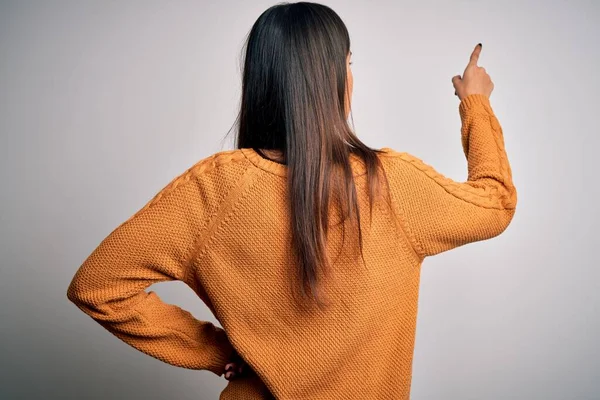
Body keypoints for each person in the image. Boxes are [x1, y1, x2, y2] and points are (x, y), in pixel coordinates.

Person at [66, 2, 517, 399]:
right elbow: (496, 203)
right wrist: (476, 103)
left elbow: (98, 286)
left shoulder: (213, 188)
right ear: (334, 77)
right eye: (348, 62)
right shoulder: (391, 183)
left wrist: (216, 350)